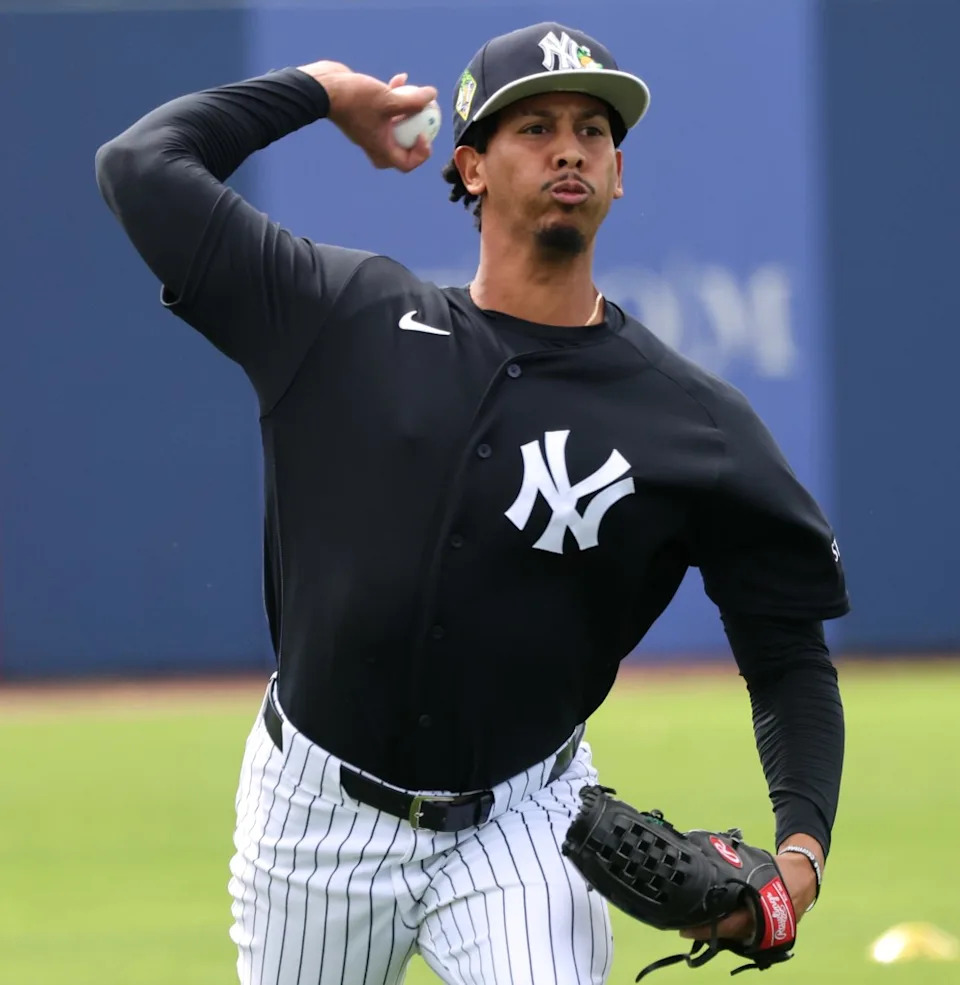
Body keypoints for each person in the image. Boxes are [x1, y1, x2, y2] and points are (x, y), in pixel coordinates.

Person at [95, 20, 848, 985]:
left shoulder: (692, 423)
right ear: (471, 166)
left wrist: (800, 858)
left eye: (593, 130)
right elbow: (141, 166)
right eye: (534, 127)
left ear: (619, 174)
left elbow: (787, 654)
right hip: (310, 817)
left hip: (525, 819)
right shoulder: (342, 318)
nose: (570, 149)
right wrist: (320, 89)